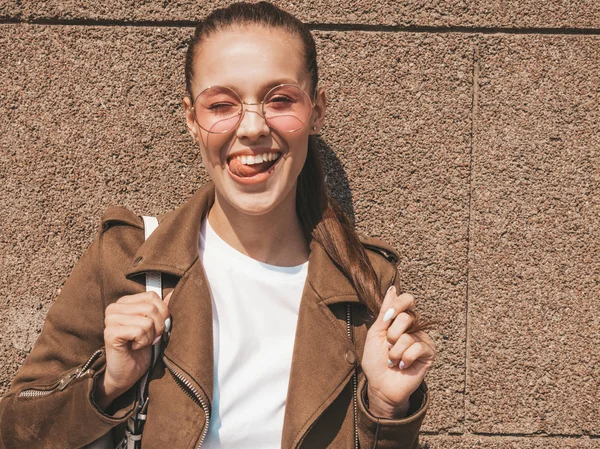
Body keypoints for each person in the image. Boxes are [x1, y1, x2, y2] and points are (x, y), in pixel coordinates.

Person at [0, 2, 436, 448]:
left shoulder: (366, 285)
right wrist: (107, 385)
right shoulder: (124, 261)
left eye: (280, 99)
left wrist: (386, 412)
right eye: (222, 104)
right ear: (192, 119)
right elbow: (16, 432)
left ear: (317, 110)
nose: (251, 128)